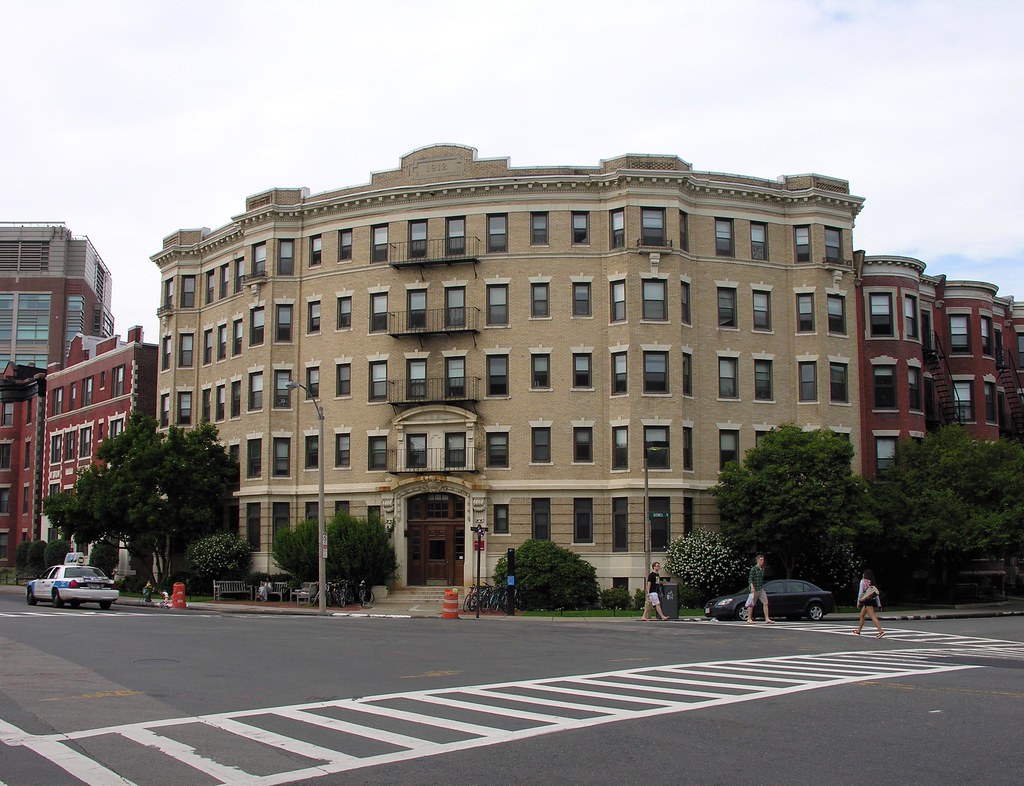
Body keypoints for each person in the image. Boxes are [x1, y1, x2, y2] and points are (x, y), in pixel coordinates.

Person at [854, 569, 884, 638]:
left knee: (872, 616)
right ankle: (858, 631)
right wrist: (879, 604)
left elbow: (860, 592)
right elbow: (876, 594)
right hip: (871, 600)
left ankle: (881, 631)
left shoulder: (863, 582)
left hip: (866, 601)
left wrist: (858, 602)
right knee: (862, 615)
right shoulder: (872, 582)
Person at [747, 554, 773, 624]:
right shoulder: (753, 569)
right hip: (754, 589)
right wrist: (752, 587)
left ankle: (767, 619)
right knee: (751, 604)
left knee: (765, 602)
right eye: (761, 560)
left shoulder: (762, 569)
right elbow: (750, 579)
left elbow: (761, 580)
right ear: (757, 560)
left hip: (760, 588)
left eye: (763, 560)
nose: (762, 561)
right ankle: (749, 618)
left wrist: (762, 588)